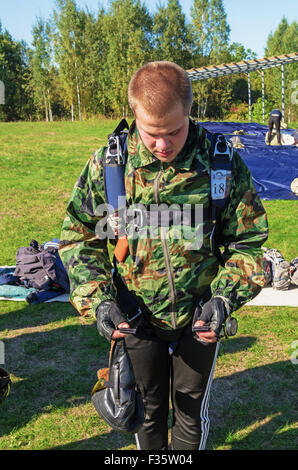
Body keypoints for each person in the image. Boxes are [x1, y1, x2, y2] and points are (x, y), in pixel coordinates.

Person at [59, 61, 268, 450]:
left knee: (190, 414)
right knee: (147, 411)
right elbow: (79, 238)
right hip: (135, 319)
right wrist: (100, 302)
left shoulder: (220, 164)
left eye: (174, 131)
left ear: (189, 111)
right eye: (152, 133)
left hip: (199, 317)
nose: (163, 145)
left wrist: (223, 300)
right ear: (135, 114)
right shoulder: (112, 166)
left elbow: (248, 244)